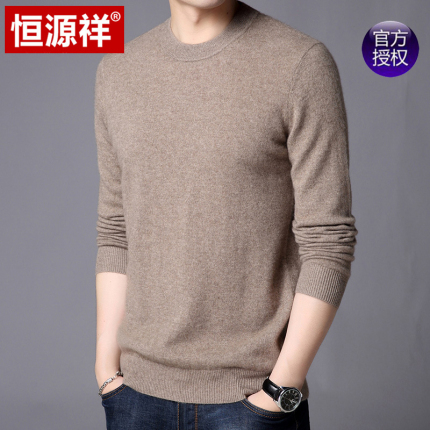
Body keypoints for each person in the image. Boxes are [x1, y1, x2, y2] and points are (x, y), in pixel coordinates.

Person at [94, 0, 358, 428]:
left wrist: (281, 389)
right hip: (135, 397)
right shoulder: (118, 70)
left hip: (252, 400)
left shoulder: (300, 63)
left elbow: (328, 240)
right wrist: (106, 367)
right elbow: (116, 229)